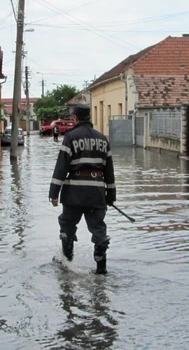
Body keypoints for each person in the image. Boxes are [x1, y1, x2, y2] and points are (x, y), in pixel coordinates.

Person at [49, 104, 116, 275]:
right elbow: (109, 170)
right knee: (98, 228)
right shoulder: (102, 139)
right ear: (89, 117)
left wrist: (54, 193)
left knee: (67, 224)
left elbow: (61, 167)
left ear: (75, 118)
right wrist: (111, 196)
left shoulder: (70, 137)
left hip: (74, 194)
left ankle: (67, 261)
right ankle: (101, 267)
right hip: (97, 193)